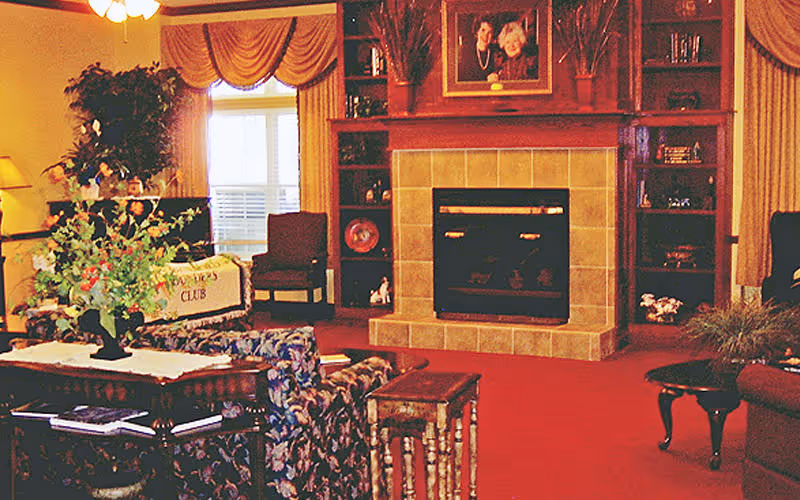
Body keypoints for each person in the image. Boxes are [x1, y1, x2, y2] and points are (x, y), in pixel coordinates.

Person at [458, 15, 497, 82]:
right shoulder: (465, 51)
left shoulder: (495, 54)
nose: (485, 35)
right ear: (477, 31)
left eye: (489, 32)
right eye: (483, 30)